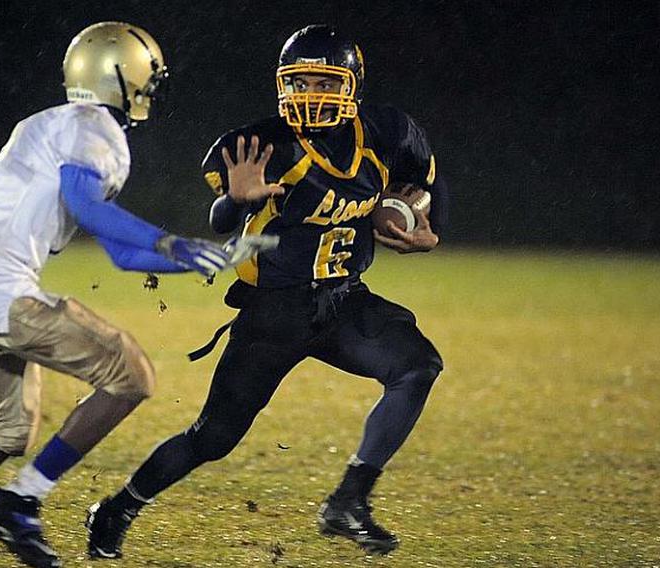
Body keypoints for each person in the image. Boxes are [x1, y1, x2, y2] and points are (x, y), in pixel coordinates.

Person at [0, 21, 251, 568]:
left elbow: (118, 252)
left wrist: (189, 258)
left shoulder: (49, 123)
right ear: (122, 74)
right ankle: (20, 501)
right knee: (132, 374)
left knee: (8, 430)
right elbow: (91, 208)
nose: (150, 89)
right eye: (147, 77)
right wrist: (170, 241)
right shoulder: (94, 128)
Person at [85, 24, 449, 558]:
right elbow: (221, 219)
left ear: (352, 86)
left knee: (418, 366)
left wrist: (427, 228)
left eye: (323, 84)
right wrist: (237, 201)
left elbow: (428, 181)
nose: (309, 97)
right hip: (274, 313)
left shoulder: (387, 133)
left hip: (343, 299)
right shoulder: (264, 145)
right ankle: (118, 508)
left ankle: (349, 500)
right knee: (212, 438)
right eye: (299, 85)